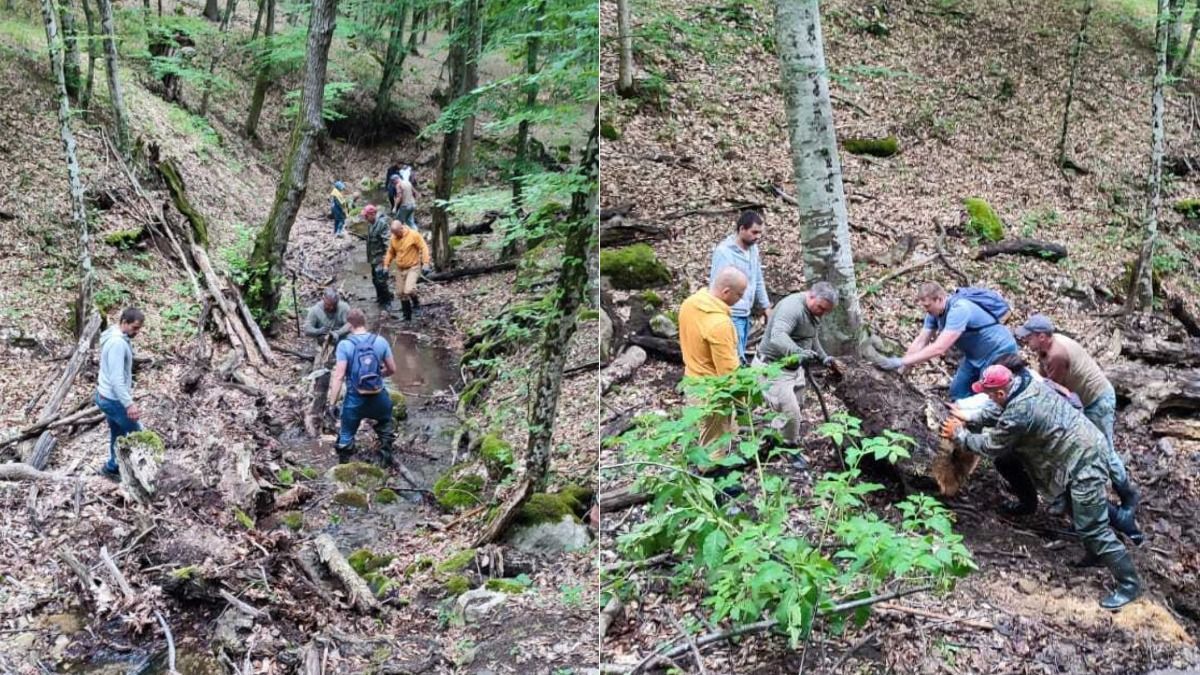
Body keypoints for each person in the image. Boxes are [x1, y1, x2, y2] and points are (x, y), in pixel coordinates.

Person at [942, 364, 1141, 610]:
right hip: (1075, 453)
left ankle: (1129, 584)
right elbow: (996, 410)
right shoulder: (1024, 384)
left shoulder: (1020, 411)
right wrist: (970, 417)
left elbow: (992, 445)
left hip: (1084, 461)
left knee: (1093, 527)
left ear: (1002, 391)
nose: (990, 397)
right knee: (1072, 506)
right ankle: (1096, 555)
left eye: (990, 392)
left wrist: (960, 435)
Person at [1013, 314, 1139, 522]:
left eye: (1029, 337)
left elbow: (1050, 391)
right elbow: (1042, 379)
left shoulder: (1057, 355)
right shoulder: (1047, 348)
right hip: (1086, 399)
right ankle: (1068, 497)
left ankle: (1128, 494)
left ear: (1042, 336)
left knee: (1103, 451)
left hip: (1097, 402)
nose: (1026, 341)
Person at [882, 283, 1018, 400]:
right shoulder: (933, 314)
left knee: (987, 396)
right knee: (957, 392)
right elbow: (921, 341)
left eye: (928, 306)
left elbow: (939, 348)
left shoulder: (959, 309)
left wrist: (901, 361)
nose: (926, 310)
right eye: (924, 306)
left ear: (940, 299)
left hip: (998, 350)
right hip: (974, 357)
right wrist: (900, 371)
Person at [750, 282, 838, 450]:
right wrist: (797, 351)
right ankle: (789, 448)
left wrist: (823, 357)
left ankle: (774, 439)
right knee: (791, 414)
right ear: (811, 296)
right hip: (773, 368)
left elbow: (811, 338)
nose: (822, 313)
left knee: (797, 406)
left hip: (794, 368)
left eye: (826, 311)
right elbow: (777, 336)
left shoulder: (813, 312)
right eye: (821, 308)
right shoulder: (793, 308)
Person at [679, 266, 748, 449]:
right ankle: (711, 473)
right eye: (739, 295)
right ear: (726, 292)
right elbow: (729, 372)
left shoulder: (690, 303)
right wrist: (743, 401)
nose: (741, 300)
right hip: (713, 391)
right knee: (714, 444)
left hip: (692, 380)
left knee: (724, 431)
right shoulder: (720, 325)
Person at [326, 309, 398, 467]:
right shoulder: (381, 341)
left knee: (346, 434)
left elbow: (339, 376)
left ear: (349, 325)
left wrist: (332, 403)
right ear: (364, 322)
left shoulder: (344, 345)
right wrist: (378, 377)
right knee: (386, 425)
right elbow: (392, 369)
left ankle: (343, 470)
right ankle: (386, 463)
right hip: (379, 397)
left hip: (354, 400)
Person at [708, 210, 771, 362]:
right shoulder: (724, 252)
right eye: (754, 232)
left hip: (745, 312)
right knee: (733, 358)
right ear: (742, 229)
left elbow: (757, 279)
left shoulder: (753, 250)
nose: (758, 237)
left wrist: (766, 307)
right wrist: (719, 313)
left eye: (760, 233)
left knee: (740, 353)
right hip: (730, 313)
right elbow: (717, 285)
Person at [96, 308, 145, 479]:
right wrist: (128, 404)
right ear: (124, 322)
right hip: (113, 399)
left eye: (139, 328)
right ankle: (148, 475)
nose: (137, 332)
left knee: (118, 433)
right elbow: (116, 378)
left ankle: (112, 467)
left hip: (105, 396)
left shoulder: (115, 336)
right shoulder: (117, 343)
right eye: (134, 328)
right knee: (139, 435)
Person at [382, 219, 431, 321]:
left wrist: (425, 263)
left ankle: (416, 304)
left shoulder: (413, 235)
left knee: (408, 290)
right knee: (400, 293)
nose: (396, 235)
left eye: (397, 233)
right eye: (394, 233)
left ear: (402, 228)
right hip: (400, 268)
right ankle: (407, 316)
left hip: (413, 266)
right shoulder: (393, 238)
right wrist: (386, 266)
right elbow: (390, 252)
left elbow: (424, 247)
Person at [363, 205, 394, 308]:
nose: (365, 218)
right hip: (373, 258)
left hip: (380, 258)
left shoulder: (382, 225)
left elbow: (388, 243)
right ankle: (380, 298)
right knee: (375, 280)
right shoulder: (370, 225)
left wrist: (386, 260)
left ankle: (387, 302)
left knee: (381, 280)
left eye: (366, 216)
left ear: (373, 214)